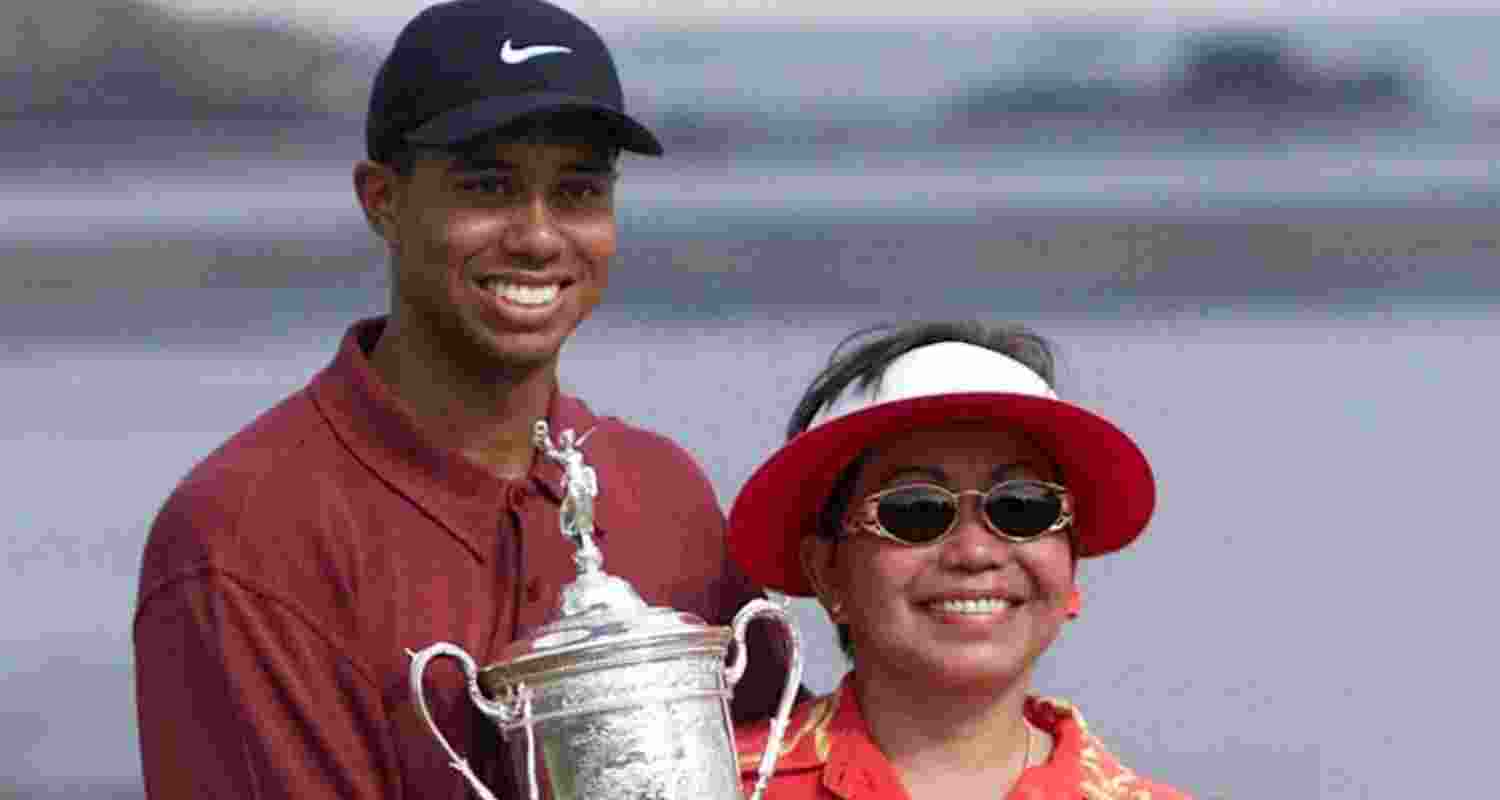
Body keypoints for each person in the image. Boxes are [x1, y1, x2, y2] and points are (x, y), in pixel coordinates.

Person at [132, 1, 790, 797]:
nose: (540, 236)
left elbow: (787, 765)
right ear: (381, 199)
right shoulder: (244, 538)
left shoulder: (665, 493)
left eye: (579, 191)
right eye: (489, 186)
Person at [728, 321, 1192, 800]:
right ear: (826, 573)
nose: (975, 552)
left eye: (1023, 507)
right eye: (914, 511)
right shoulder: (707, 786)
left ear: (1071, 563)